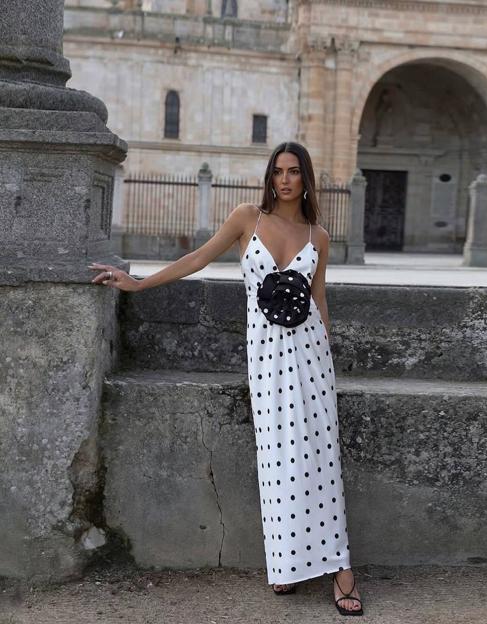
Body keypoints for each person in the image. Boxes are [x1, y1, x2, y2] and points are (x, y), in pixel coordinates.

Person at [88, 141, 364, 616]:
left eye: (294, 172)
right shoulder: (246, 219)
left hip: (311, 358)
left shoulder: (318, 235)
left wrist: (327, 358)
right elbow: (197, 259)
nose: (284, 179)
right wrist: (137, 283)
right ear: (269, 176)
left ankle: (341, 571)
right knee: (278, 460)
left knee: (321, 457)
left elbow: (319, 301)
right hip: (266, 358)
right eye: (277, 171)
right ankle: (287, 565)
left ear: (306, 178)